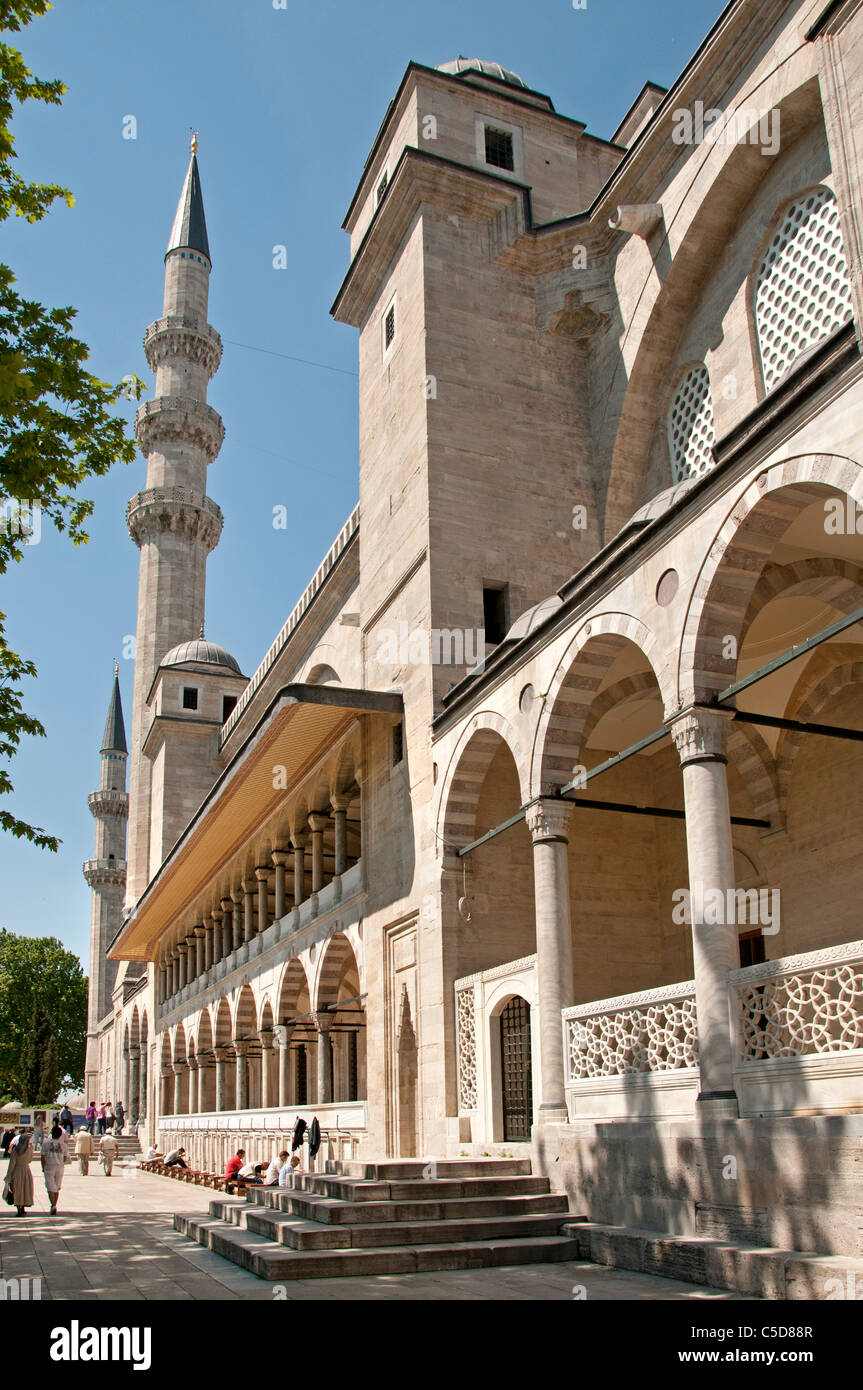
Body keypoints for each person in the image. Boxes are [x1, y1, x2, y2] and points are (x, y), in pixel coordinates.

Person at [4, 1130, 35, 1216]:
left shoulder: (15, 1151)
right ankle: (23, 1208)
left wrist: (8, 1176)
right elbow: (29, 1160)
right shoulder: (29, 1150)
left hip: (17, 1171)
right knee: (25, 1189)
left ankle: (19, 1208)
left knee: (17, 1190)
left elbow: (12, 1164)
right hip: (26, 1171)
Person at [40, 1124, 67, 1214]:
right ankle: (54, 1204)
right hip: (59, 1167)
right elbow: (65, 1158)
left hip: (49, 1166)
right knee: (56, 1186)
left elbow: (43, 1157)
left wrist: (43, 1167)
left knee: (50, 1187)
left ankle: (53, 1204)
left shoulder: (45, 1144)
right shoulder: (63, 1145)